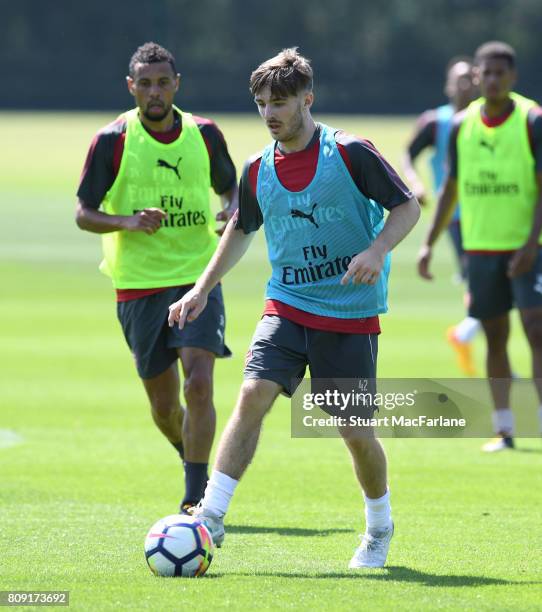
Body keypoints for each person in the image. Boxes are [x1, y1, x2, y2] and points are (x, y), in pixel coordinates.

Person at [168, 48, 420, 567]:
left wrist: (376, 250)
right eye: (261, 103)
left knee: (354, 432)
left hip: (349, 315)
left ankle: (378, 526)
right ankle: (211, 515)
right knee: (252, 393)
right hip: (286, 305)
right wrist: (199, 289)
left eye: (279, 102)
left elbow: (407, 205)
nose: (269, 113)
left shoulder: (350, 153)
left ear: (308, 98)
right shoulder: (257, 169)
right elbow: (240, 229)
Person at [75, 42, 238, 510]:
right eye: (144, 84)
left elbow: (229, 187)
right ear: (131, 87)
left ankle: (197, 496)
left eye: (163, 82)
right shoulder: (112, 140)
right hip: (139, 283)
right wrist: (127, 221)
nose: (154, 92)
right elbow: (84, 213)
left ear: (176, 85)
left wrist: (230, 210)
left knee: (200, 383)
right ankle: (188, 453)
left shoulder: (204, 134)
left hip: (196, 275)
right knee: (166, 408)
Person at [418, 41, 542, 452]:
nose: (490, 80)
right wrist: (429, 243)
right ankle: (505, 428)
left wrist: (530, 244)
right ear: (476, 77)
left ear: (512, 77)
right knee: (495, 337)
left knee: (536, 330)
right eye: (483, 73)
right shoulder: (460, 126)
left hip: (530, 248)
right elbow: (450, 188)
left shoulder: (532, 120)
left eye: (498, 73)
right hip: (481, 249)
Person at [404, 57, 480, 376]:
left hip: (493, 212)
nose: (466, 84)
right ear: (449, 85)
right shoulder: (436, 122)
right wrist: (417, 183)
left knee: (490, 284)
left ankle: (467, 332)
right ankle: (465, 333)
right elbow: (408, 155)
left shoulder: (487, 118)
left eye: (470, 78)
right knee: (485, 283)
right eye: (459, 79)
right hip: (459, 217)